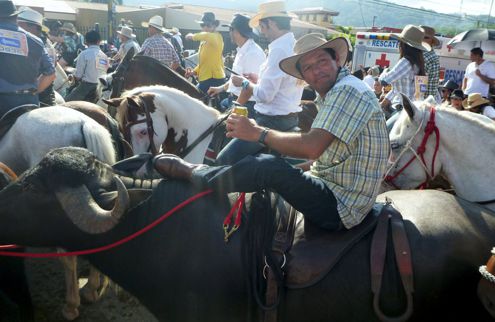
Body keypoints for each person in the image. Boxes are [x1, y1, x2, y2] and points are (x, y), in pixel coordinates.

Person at [146, 33, 390, 231]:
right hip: (336, 189)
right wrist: (295, 172)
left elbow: (312, 147)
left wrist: (257, 133)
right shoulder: (338, 90)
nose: (317, 71)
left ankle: (195, 175)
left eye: (322, 62)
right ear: (303, 76)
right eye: (308, 67)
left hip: (341, 206)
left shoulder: (347, 90)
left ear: (337, 59)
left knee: (266, 165)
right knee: (273, 170)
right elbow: (325, 157)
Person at [216, 1, 303, 165]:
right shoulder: (292, 44)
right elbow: (283, 84)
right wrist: (258, 80)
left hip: (271, 121)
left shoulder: (278, 49)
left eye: (262, 26)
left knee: (223, 160)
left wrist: (244, 83)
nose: (262, 32)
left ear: (270, 23)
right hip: (289, 118)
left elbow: (265, 96)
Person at [0, 0, 55, 116]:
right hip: (30, 103)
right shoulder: (37, 41)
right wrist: (33, 92)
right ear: (16, 17)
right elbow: (51, 74)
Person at [207, 13, 266, 116]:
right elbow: (234, 79)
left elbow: (248, 90)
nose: (229, 33)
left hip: (246, 105)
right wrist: (219, 89)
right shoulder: (242, 50)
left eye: (231, 30)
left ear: (237, 32)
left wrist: (234, 109)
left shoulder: (252, 54)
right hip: (235, 99)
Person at [379, 25, 430, 110]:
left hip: (402, 108)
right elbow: (397, 90)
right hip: (414, 109)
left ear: (404, 45)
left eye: (400, 42)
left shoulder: (406, 62)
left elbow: (384, 81)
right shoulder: (419, 64)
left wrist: (384, 71)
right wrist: (383, 102)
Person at [17, 7, 57, 106]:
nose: (16, 27)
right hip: (48, 95)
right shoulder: (46, 43)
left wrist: (30, 94)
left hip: (37, 97)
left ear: (30, 26)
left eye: (18, 24)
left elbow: (50, 74)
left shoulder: (33, 44)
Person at [185, 12, 225, 94]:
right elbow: (204, 63)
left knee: (192, 96)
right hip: (206, 79)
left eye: (208, 25)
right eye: (202, 25)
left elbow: (206, 35)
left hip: (214, 79)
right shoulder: (204, 42)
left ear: (214, 26)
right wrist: (194, 71)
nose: (205, 27)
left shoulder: (217, 37)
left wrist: (192, 36)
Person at [65, 30, 109, 102]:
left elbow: (78, 76)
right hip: (101, 88)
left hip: (86, 87)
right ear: (99, 41)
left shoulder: (84, 54)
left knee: (65, 103)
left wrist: (73, 76)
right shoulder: (105, 56)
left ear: (86, 41)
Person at [420, 25, 440, 101]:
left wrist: (422, 101)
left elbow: (426, 83)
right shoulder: (419, 53)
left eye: (425, 37)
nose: (422, 39)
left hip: (422, 100)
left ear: (432, 41)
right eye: (419, 36)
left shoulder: (429, 57)